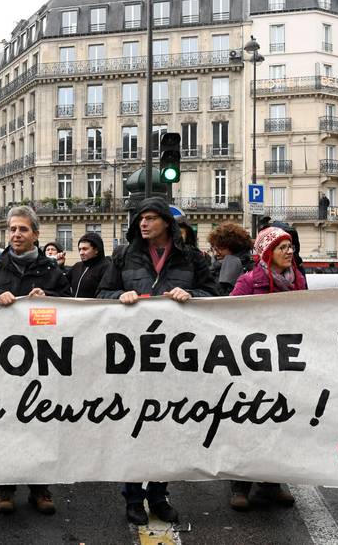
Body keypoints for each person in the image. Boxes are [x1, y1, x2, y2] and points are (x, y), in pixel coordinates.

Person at [96, 196, 218, 525]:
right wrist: (118, 296)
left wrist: (192, 295)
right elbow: (101, 294)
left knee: (167, 428)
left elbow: (215, 295)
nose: (143, 224)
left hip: (176, 359)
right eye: (140, 219)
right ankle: (133, 496)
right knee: (134, 426)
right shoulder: (123, 256)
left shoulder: (191, 257)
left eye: (150, 218)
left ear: (167, 221)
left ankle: (159, 494)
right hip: (133, 358)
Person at [0, 205, 71, 515]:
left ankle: (40, 488)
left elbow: (72, 307)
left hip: (42, 360)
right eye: (12, 229)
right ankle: (5, 487)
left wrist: (49, 300)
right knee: (5, 422)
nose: (16, 234)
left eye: (23, 229)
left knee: (40, 423)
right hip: (2, 360)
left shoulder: (52, 270)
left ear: (36, 234)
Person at [228, 226, 305, 510]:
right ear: (267, 252)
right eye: (283, 247)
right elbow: (230, 319)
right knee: (249, 424)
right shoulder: (248, 281)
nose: (289, 252)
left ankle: (271, 483)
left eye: (290, 247)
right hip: (254, 366)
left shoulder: (298, 281)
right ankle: (240, 484)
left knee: (278, 424)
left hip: (285, 364)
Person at [208, 222, 254, 295]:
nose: (216, 253)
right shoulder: (214, 268)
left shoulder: (251, 270)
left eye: (220, 248)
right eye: (214, 249)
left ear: (234, 246)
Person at [66, 232, 113, 298]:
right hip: (75, 307)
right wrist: (59, 266)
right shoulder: (77, 266)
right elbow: (62, 284)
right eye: (79, 249)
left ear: (96, 250)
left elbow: (107, 293)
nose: (81, 253)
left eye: (85, 249)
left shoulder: (107, 267)